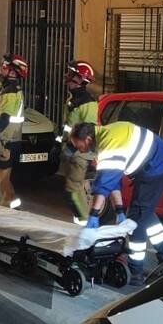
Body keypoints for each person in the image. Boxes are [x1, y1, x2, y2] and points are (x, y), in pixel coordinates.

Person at [69, 120, 163, 285]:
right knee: (144, 213)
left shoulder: (111, 144)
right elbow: (114, 182)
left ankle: (136, 272)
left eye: (78, 145)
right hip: (159, 163)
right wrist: (119, 210)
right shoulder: (106, 135)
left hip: (155, 168)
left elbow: (105, 185)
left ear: (88, 139)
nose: (78, 149)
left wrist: (93, 215)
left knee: (136, 221)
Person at [55, 61, 99, 225]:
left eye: (71, 74)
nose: (67, 76)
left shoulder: (88, 103)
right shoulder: (74, 100)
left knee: (73, 191)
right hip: (72, 151)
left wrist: (70, 149)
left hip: (80, 153)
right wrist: (58, 143)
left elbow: (87, 130)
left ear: (80, 79)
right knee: (74, 191)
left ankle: (85, 227)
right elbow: (68, 126)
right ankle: (81, 225)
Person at [0, 54, 28, 209]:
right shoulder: (8, 89)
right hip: (9, 141)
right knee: (4, 177)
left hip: (5, 142)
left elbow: (4, 118)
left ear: (12, 72)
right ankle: (11, 205)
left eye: (4, 66)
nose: (0, 68)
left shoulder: (10, 91)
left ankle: (4, 210)